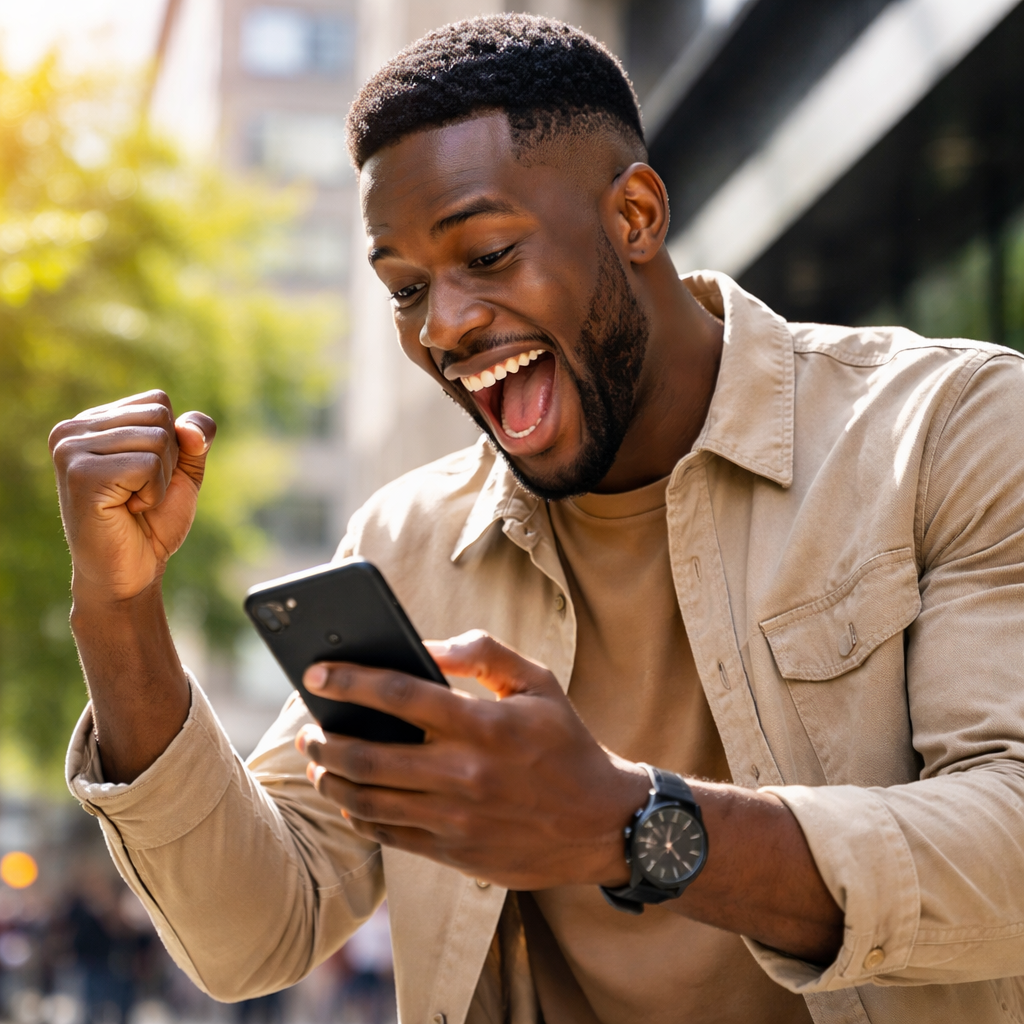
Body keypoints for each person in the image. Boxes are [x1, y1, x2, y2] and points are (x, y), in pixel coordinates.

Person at [50, 14, 1024, 1024]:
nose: (443, 326)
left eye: (489, 252)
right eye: (406, 288)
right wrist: (117, 610)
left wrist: (628, 825)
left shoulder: (948, 428)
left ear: (635, 216)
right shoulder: (407, 540)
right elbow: (254, 929)